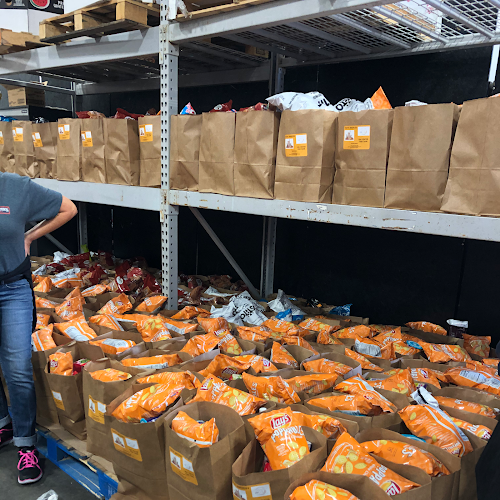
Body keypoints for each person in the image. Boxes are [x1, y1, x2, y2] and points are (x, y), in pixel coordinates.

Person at [0, 172, 77, 484]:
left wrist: (30, 237)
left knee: (17, 369)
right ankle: (4, 424)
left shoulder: (16, 188)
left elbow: (67, 208)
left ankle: (25, 445)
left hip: (12, 289)